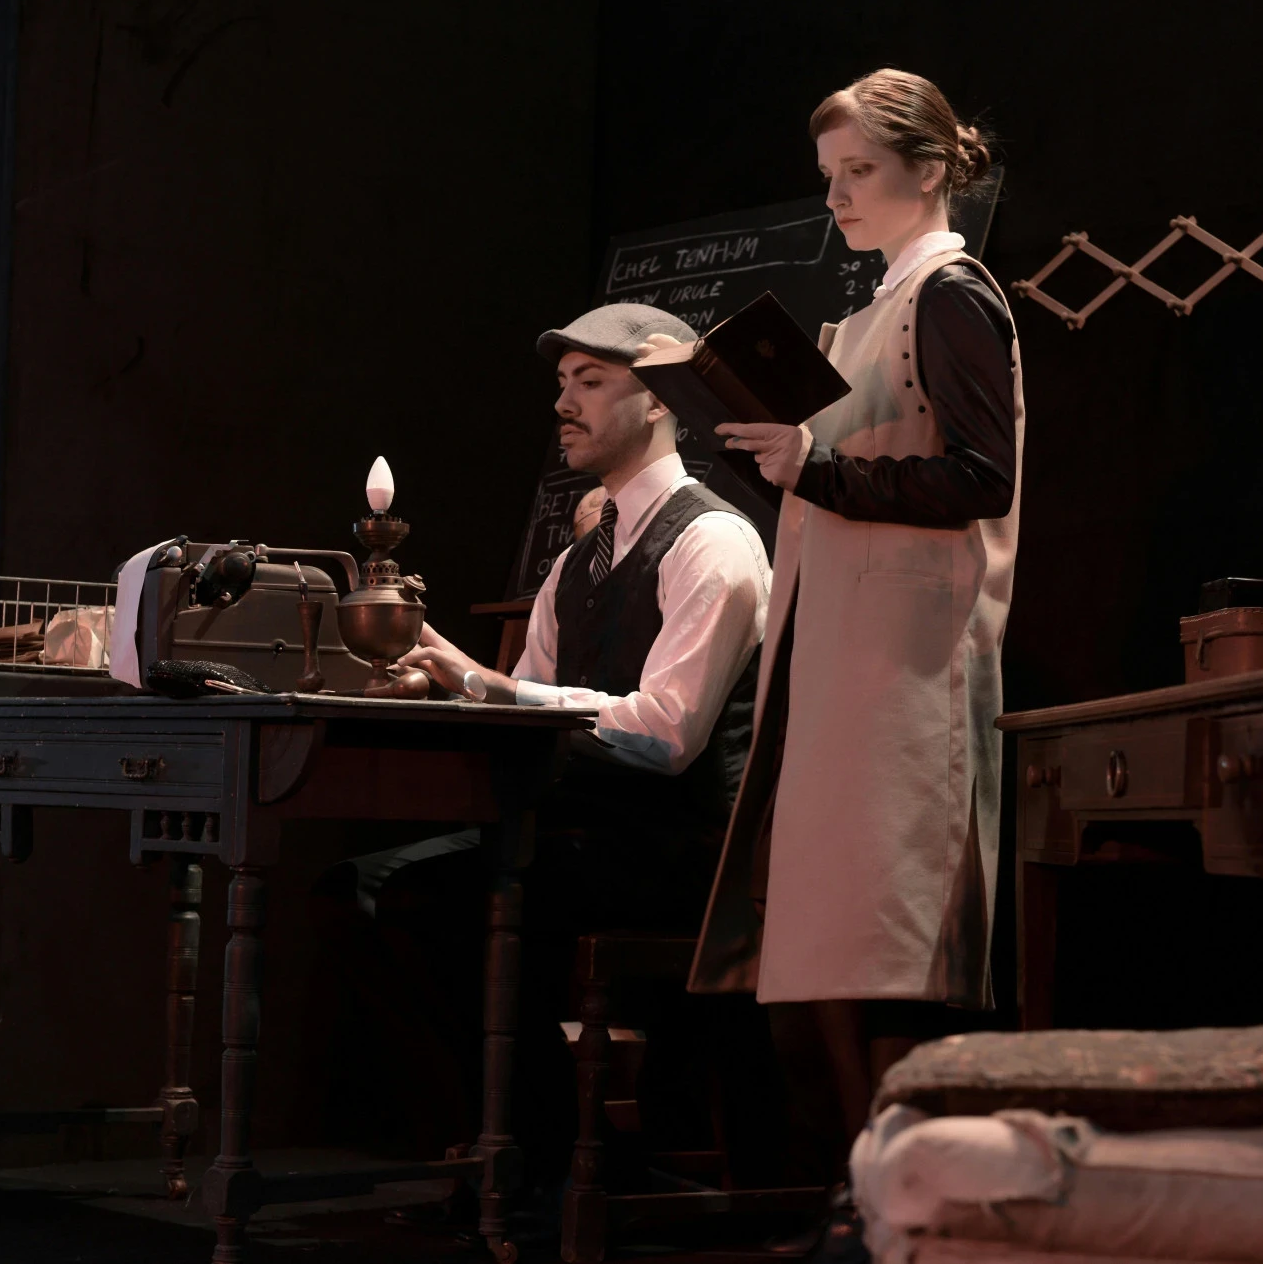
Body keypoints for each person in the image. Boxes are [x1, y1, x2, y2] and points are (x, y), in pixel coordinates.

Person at [314, 302, 772, 1179]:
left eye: (590, 382)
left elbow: (670, 733)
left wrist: (488, 685)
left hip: (673, 852)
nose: (564, 403)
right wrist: (437, 682)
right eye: (563, 383)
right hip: (569, 834)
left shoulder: (712, 541)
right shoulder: (575, 563)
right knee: (355, 892)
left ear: (661, 399)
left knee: (431, 898)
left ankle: (538, 1157)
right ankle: (520, 1144)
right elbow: (518, 713)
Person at [684, 68, 1024, 1157]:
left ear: (928, 172)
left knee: (884, 949)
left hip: (905, 672)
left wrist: (819, 469)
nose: (834, 198)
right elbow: (843, 488)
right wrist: (786, 464)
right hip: (841, 663)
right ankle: (857, 1189)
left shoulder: (952, 296)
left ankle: (897, 1193)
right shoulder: (863, 316)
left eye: (858, 172)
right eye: (828, 175)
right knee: (825, 946)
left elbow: (983, 478)